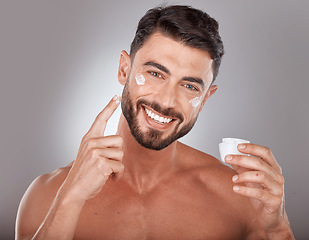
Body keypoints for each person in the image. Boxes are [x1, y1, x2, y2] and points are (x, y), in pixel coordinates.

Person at [16, 5, 295, 240]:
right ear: (125, 69)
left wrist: (278, 229)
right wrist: (70, 201)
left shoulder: (240, 198)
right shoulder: (47, 195)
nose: (167, 101)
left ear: (206, 98)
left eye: (189, 87)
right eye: (156, 74)